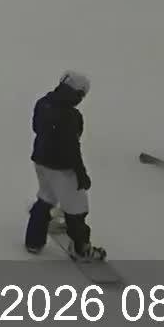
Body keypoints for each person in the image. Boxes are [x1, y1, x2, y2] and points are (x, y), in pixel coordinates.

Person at [24, 71, 105, 261]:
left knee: (46, 197)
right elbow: (72, 148)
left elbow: (37, 128)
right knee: (76, 209)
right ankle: (81, 248)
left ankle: (33, 241)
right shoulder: (71, 116)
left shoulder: (43, 103)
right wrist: (81, 174)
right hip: (62, 168)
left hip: (41, 161)